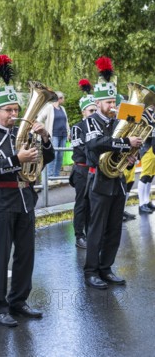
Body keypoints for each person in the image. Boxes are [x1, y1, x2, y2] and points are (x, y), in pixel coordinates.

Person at [0, 55, 54, 327]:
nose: (14, 114)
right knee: (0, 258)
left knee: (26, 255)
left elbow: (46, 159)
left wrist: (45, 138)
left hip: (26, 199)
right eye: (8, 110)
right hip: (1, 200)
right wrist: (16, 160)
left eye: (15, 109)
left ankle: (19, 300)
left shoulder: (21, 133)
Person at [83, 57, 142, 289]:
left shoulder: (118, 122)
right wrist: (125, 140)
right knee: (97, 229)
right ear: (97, 103)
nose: (112, 106)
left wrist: (129, 158)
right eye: (108, 102)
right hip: (98, 181)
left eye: (113, 101)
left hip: (116, 181)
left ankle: (106, 267)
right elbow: (96, 145)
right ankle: (91, 271)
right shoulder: (90, 123)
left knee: (115, 228)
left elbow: (118, 151)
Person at [69, 80, 97, 249]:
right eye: (91, 110)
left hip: (94, 170)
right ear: (83, 112)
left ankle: (91, 233)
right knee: (81, 203)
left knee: (94, 203)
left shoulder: (98, 126)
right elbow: (82, 149)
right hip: (81, 170)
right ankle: (79, 235)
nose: (94, 113)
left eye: (95, 110)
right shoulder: (77, 128)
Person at [38, 91, 70, 178]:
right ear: (59, 99)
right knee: (53, 155)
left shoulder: (62, 108)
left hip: (63, 135)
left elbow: (66, 121)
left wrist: (69, 132)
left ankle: (56, 175)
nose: (64, 99)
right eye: (63, 98)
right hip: (54, 135)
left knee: (60, 156)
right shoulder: (49, 107)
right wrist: (42, 128)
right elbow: (40, 118)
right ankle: (50, 176)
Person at [136, 87, 155, 214]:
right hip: (147, 146)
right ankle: (141, 203)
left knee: (151, 176)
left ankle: (147, 200)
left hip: (154, 146)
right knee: (145, 175)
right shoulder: (144, 113)